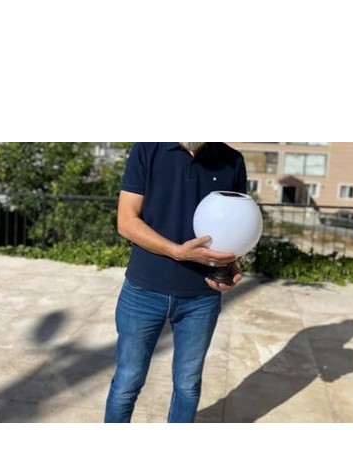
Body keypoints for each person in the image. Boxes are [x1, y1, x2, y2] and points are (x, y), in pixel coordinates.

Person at [104, 142, 247, 423]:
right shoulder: (147, 149)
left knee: (188, 385)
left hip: (201, 296)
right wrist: (177, 251)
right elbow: (126, 221)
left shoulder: (232, 160)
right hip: (143, 291)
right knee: (127, 383)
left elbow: (236, 226)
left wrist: (231, 265)